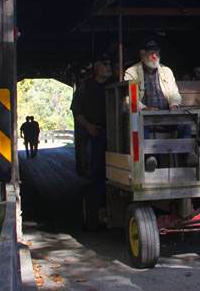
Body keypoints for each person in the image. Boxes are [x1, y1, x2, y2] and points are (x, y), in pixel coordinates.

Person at [70, 52, 114, 229]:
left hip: (114, 134)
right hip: (95, 134)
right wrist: (88, 127)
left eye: (110, 63)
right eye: (105, 63)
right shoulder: (85, 87)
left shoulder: (115, 85)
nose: (109, 66)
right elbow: (77, 112)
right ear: (97, 68)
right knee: (97, 174)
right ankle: (94, 215)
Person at [123, 40, 181, 110]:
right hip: (142, 116)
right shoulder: (132, 72)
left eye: (157, 53)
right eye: (151, 53)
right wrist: (145, 109)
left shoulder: (167, 71)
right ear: (142, 54)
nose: (154, 56)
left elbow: (174, 93)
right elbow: (132, 99)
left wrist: (174, 105)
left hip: (166, 114)